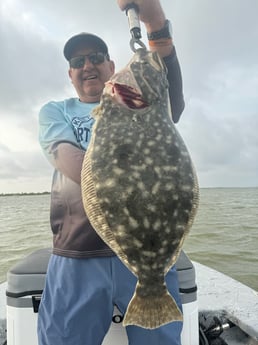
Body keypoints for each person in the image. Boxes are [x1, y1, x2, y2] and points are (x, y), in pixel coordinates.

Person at [37, 0, 185, 344]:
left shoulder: (136, 99)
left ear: (111, 66)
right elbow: (66, 159)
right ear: (70, 74)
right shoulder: (55, 111)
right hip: (78, 253)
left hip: (149, 256)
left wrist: (155, 24)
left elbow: (171, 99)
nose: (87, 65)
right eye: (78, 62)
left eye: (96, 58)